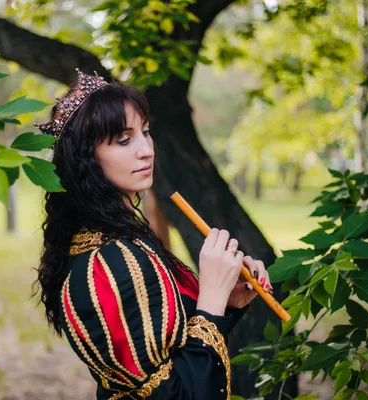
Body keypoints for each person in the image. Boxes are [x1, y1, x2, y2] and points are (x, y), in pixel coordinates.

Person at [34, 69, 272, 399]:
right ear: (84, 160)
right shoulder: (109, 265)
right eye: (124, 140)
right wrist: (211, 297)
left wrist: (224, 302)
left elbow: (171, 345)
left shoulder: (117, 241)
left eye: (145, 132)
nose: (147, 149)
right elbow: (176, 394)